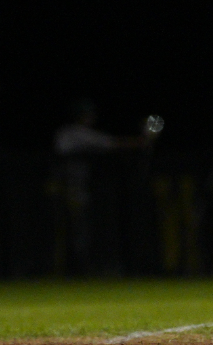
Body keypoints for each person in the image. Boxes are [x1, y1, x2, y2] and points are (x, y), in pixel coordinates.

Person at [49, 97, 153, 274]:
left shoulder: (68, 133)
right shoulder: (73, 133)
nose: (92, 117)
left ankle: (74, 268)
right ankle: (70, 269)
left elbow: (107, 143)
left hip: (73, 188)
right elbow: (111, 143)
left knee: (76, 231)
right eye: (88, 114)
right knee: (72, 231)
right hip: (68, 188)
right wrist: (142, 141)